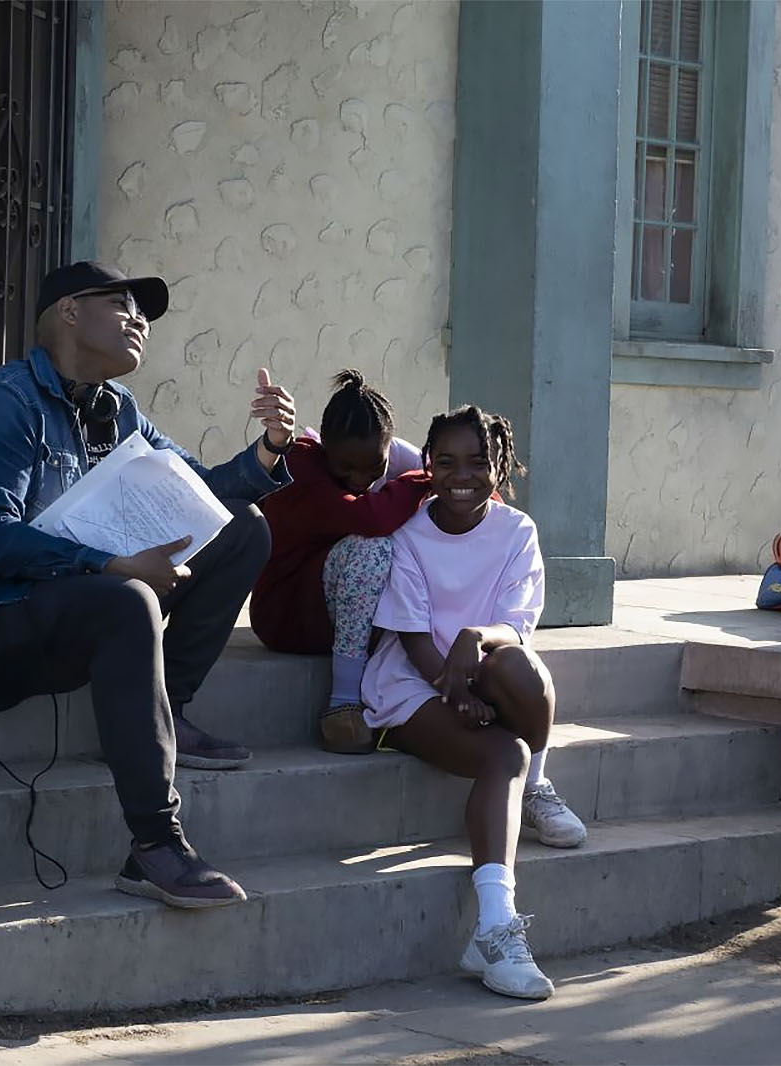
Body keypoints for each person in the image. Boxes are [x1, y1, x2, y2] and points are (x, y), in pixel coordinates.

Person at [0, 261, 297, 908]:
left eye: (141, 312)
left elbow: (201, 496)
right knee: (127, 598)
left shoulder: (118, 411)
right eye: (120, 305)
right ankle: (155, 845)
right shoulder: (0, 404)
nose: (139, 320)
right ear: (68, 312)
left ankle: (165, 706)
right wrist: (110, 564)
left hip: (73, 611)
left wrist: (270, 449)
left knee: (244, 528)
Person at [361, 405, 587, 1000]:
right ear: (428, 467)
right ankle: (494, 929)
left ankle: (538, 785)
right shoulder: (410, 537)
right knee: (503, 756)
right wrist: (449, 687)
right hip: (413, 685)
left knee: (521, 666)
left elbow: (516, 626)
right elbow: (410, 636)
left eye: (477, 461)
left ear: (500, 465)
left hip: (482, 671)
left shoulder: (516, 532)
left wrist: (473, 640)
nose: (461, 475)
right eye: (445, 462)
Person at [249, 369, 429, 752]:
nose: (360, 478)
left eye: (373, 468)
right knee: (371, 547)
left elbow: (469, 499)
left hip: (342, 611)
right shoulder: (299, 462)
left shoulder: (389, 454)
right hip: (288, 616)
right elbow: (368, 518)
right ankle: (343, 703)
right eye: (345, 469)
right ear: (325, 446)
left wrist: (450, 475)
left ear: (388, 446)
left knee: (427, 535)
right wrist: (426, 479)